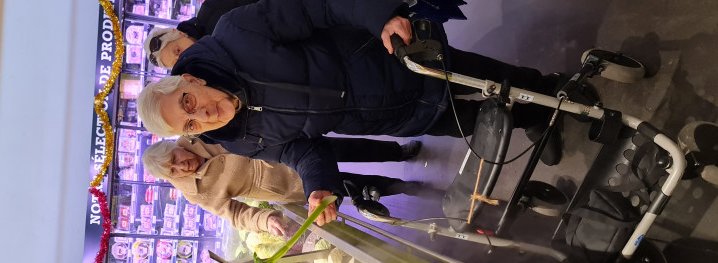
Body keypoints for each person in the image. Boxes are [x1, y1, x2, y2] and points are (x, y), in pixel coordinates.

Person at [137, 0, 563, 226]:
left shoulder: (236, 32)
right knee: (463, 123)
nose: (204, 116)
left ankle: (550, 92)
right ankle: (535, 120)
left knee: (482, 76)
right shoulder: (240, 139)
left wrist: (378, 16)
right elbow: (299, 153)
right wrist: (318, 188)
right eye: (191, 123)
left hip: (385, 57)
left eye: (189, 104)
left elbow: (313, 7)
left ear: (188, 81)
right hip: (380, 116)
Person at [143, 137, 424, 235]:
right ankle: (404, 187)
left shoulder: (197, 132)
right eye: (173, 171)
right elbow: (235, 214)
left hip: (286, 147)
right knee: (352, 187)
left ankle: (398, 151)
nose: (182, 166)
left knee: (350, 149)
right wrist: (264, 220)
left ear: (174, 147)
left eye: (175, 158)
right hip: (287, 185)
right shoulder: (195, 192)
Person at [145, 0, 258, 69]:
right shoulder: (208, 71)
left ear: (179, 34)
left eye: (178, 50)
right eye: (177, 61)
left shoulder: (212, 10)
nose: (183, 57)